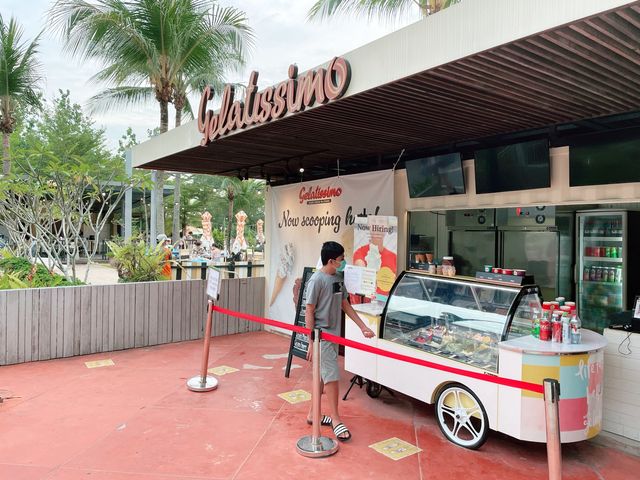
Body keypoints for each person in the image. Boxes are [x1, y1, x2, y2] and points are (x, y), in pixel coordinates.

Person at [304, 241, 376, 442]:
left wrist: (362, 326)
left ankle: (313, 414)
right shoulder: (316, 281)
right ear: (331, 260)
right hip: (322, 335)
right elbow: (309, 310)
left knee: (321, 376)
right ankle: (336, 419)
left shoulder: (338, 278)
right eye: (341, 258)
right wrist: (311, 340)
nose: (344, 261)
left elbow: (345, 303)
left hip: (333, 335)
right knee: (332, 377)